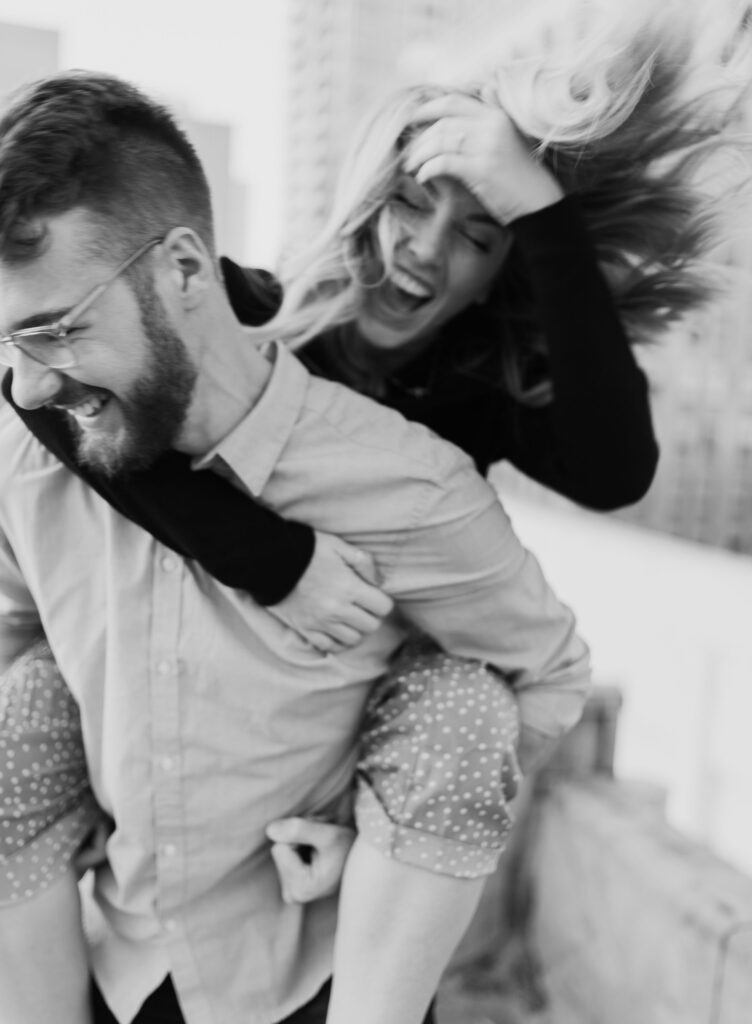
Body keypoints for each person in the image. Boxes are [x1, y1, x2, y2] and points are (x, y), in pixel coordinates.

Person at [3, 0, 747, 913]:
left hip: (386, 751)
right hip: (211, 746)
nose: (424, 253)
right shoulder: (248, 314)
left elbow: (615, 472)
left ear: (500, 269)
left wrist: (545, 215)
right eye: (407, 202)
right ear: (364, 196)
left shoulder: (480, 397)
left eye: (477, 236)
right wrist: (274, 561)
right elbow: (45, 396)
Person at [0, 68, 592, 1024]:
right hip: (112, 963)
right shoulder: (34, 453)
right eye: (9, 345)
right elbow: (21, 636)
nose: (27, 389)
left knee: (464, 702)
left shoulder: (410, 482)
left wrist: (381, 843)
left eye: (55, 332)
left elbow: (549, 677)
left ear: (187, 271)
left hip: (317, 976)